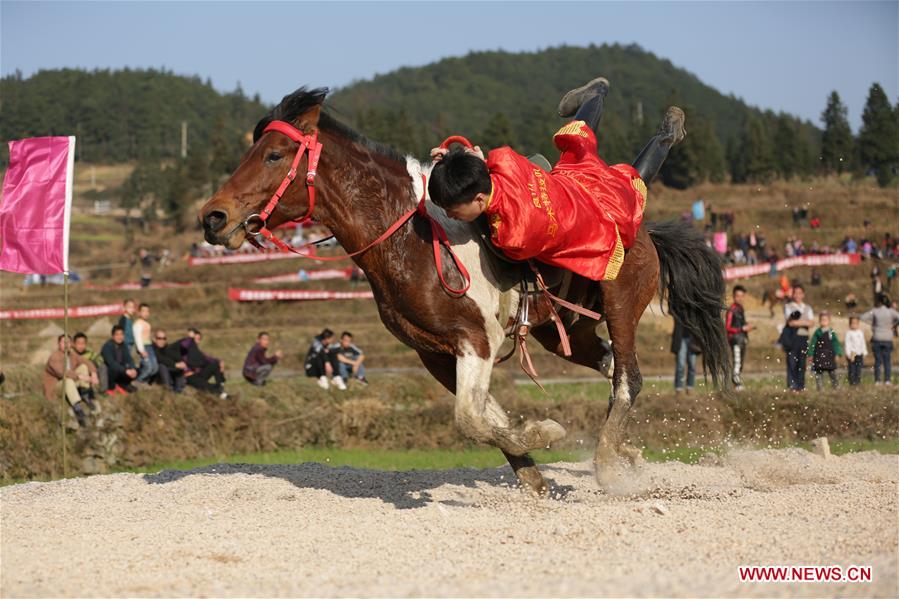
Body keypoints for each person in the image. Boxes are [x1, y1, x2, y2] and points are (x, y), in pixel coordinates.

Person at [427, 76, 684, 282]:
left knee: (630, 189)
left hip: (595, 216)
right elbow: (484, 168)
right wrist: (454, 163)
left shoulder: (513, 235)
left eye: (452, 209)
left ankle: (667, 136)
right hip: (571, 184)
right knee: (576, 142)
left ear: (479, 198)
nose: (450, 216)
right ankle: (598, 96)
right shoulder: (502, 160)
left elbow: (515, 251)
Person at [43, 335, 99, 427]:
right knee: (68, 380)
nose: (66, 345)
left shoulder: (71, 354)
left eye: (68, 342)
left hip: (71, 383)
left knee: (83, 367)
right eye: (63, 342)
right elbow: (63, 373)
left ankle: (85, 394)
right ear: (59, 344)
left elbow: (85, 361)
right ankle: (78, 409)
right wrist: (80, 376)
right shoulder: (54, 357)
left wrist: (93, 373)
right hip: (57, 386)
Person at [781, 285, 815, 392]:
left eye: (800, 293)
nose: (797, 295)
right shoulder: (788, 306)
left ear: (803, 295)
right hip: (792, 338)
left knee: (802, 362)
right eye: (795, 293)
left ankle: (801, 386)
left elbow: (812, 322)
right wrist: (805, 322)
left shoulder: (807, 307)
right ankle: (792, 386)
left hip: (803, 337)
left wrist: (799, 323)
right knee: (792, 361)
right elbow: (790, 322)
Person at [860, 294, 899, 385]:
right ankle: (887, 380)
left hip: (877, 337)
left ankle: (878, 380)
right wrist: (894, 325)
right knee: (887, 360)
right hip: (888, 338)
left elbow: (862, 317)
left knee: (878, 361)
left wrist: (872, 324)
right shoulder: (891, 311)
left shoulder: (875, 311)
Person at [179, 328, 228, 398]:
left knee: (216, 364)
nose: (197, 341)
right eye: (194, 339)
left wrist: (220, 362)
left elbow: (207, 359)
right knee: (209, 386)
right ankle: (226, 397)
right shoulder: (184, 349)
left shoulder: (197, 352)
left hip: (198, 374)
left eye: (199, 339)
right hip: (190, 377)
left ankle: (220, 385)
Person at [725, 285, 755, 390]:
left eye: (742, 296)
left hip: (742, 339)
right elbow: (728, 327)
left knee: (741, 362)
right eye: (738, 296)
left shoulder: (740, 309)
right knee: (737, 362)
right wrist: (742, 329)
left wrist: (748, 326)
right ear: (733, 296)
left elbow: (739, 323)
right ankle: (736, 383)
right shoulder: (732, 310)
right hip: (735, 339)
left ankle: (736, 384)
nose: (740, 298)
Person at [807, 311, 843, 391]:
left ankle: (836, 387)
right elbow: (812, 343)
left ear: (829, 321)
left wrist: (838, 353)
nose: (824, 321)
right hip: (819, 356)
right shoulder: (817, 332)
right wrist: (810, 354)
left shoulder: (831, 332)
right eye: (822, 320)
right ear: (819, 321)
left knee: (833, 372)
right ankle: (820, 388)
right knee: (819, 373)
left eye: (826, 320)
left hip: (830, 356)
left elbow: (836, 343)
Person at [101, 325, 139, 394]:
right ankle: (112, 387)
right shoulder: (107, 346)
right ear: (113, 336)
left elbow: (129, 359)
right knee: (114, 369)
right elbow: (111, 363)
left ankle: (123, 384)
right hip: (109, 371)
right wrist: (125, 371)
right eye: (117, 335)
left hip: (120, 369)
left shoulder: (123, 345)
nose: (120, 337)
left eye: (121, 334)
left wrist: (133, 368)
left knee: (137, 370)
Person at [670, 319, 699, 394]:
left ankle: (690, 387)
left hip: (693, 339)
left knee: (692, 365)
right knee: (680, 365)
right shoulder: (680, 308)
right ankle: (678, 388)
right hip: (681, 338)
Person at [132, 303, 158, 384]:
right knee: (149, 367)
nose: (146, 313)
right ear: (139, 313)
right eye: (144, 311)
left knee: (155, 368)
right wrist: (141, 350)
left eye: (147, 311)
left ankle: (145, 381)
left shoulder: (147, 324)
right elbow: (138, 338)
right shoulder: (138, 324)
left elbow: (147, 336)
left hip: (150, 347)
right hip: (144, 348)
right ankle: (138, 381)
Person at [844, 316, 868, 386]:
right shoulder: (849, 333)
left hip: (859, 352)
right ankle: (852, 382)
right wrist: (848, 353)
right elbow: (847, 343)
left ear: (858, 324)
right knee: (852, 369)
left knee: (858, 369)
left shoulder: (860, 333)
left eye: (856, 323)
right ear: (850, 324)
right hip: (852, 353)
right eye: (852, 323)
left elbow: (862, 342)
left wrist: (865, 351)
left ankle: (858, 382)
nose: (854, 325)